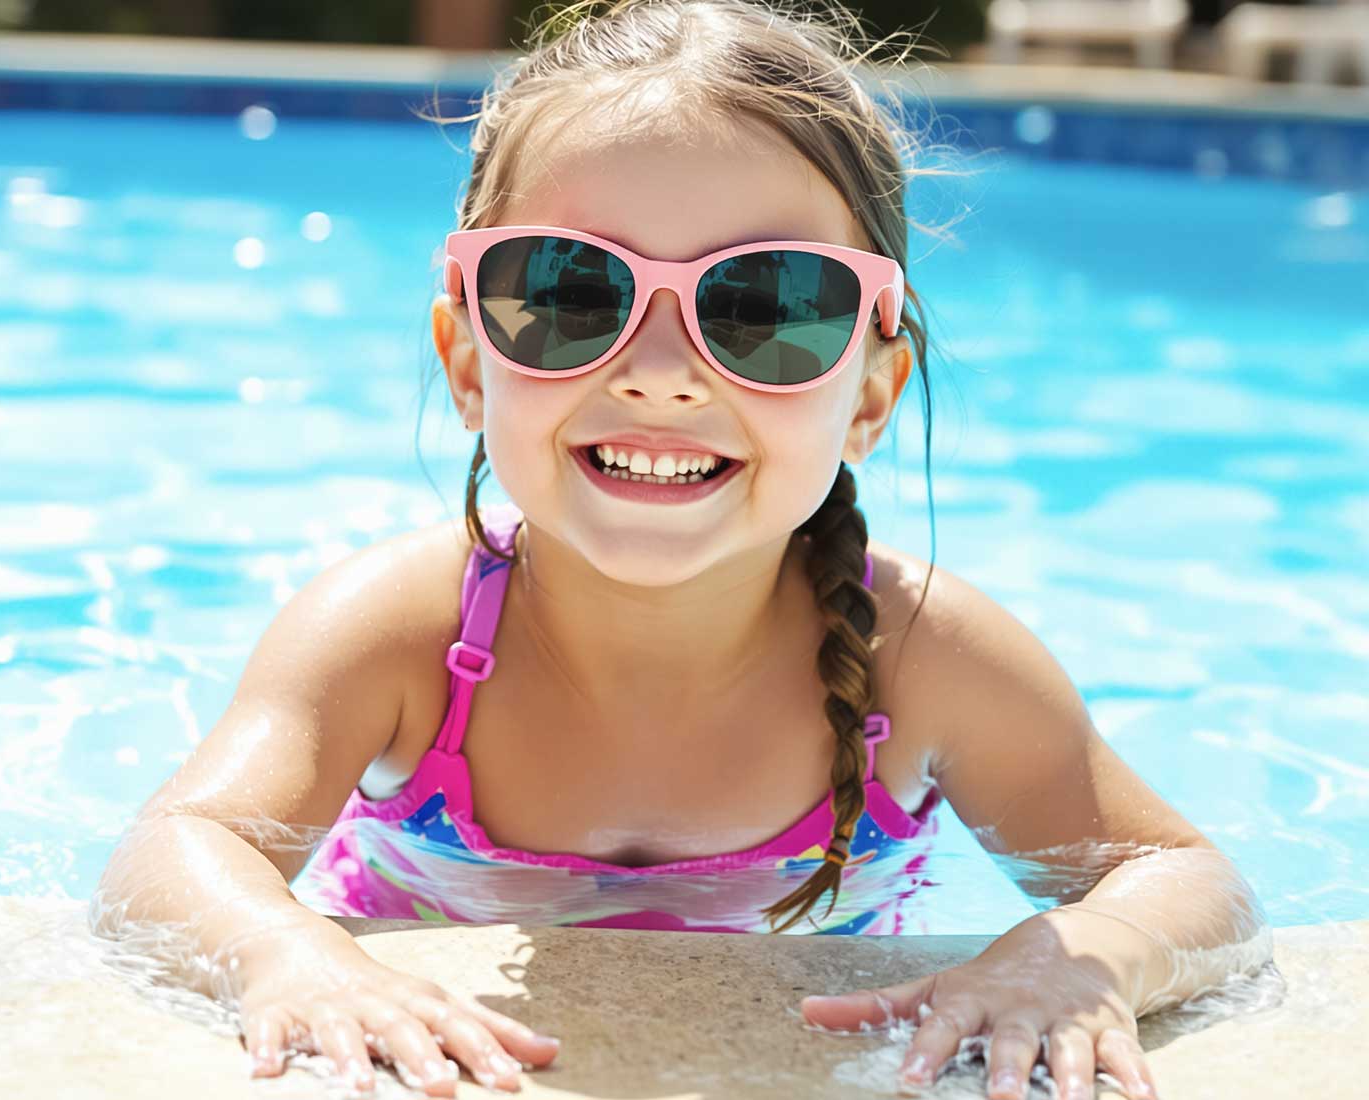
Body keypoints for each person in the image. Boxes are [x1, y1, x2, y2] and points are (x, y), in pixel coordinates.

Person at [95, 2, 1271, 1098]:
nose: (659, 369)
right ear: (467, 360)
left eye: (765, 307)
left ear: (871, 392)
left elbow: (1184, 878)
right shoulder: (402, 632)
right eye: (567, 293)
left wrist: (1083, 957)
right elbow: (179, 844)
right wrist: (288, 953)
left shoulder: (926, 657)